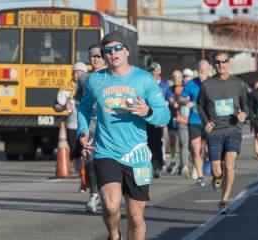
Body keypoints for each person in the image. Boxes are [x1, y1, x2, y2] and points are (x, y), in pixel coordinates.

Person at [77, 31, 171, 240]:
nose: (113, 53)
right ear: (104, 56)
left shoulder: (144, 79)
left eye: (118, 48)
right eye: (108, 51)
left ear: (127, 51)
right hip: (106, 151)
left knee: (136, 216)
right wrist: (82, 132)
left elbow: (164, 116)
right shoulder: (94, 81)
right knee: (110, 206)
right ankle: (114, 236)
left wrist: (148, 112)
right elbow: (82, 110)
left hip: (137, 155)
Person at [197, 51, 249, 214]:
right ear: (214, 65)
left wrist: (243, 115)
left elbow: (245, 105)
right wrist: (206, 122)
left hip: (233, 128)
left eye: (224, 61)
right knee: (216, 169)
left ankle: (224, 200)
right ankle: (217, 178)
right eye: (218, 62)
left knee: (229, 164)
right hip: (214, 131)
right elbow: (199, 106)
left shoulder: (238, 83)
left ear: (229, 63)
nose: (221, 64)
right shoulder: (207, 85)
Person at [75, 44, 108, 213]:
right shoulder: (84, 79)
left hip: (109, 125)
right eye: (92, 56)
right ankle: (94, 194)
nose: (95, 59)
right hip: (90, 125)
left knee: (107, 161)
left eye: (98, 56)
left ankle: (108, 193)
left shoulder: (111, 76)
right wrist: (81, 129)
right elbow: (80, 104)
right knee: (89, 159)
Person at [180, 60, 210, 186]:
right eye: (199, 71)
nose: (201, 73)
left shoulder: (213, 83)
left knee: (208, 149)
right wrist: (187, 102)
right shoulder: (191, 83)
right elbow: (181, 98)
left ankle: (208, 161)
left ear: (208, 71)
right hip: (194, 120)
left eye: (203, 71)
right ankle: (200, 176)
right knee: (195, 148)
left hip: (209, 121)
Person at [54, 62, 86, 179]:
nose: (78, 75)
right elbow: (57, 105)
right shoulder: (66, 87)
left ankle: (87, 176)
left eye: (81, 72)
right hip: (72, 125)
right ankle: (80, 174)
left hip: (88, 124)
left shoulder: (90, 85)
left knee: (86, 152)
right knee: (75, 153)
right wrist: (63, 107)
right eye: (76, 72)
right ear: (72, 74)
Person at [147, 62, 173, 178]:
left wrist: (169, 103)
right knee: (148, 142)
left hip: (159, 118)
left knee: (157, 142)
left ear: (159, 71)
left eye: (155, 70)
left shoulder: (164, 85)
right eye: (151, 70)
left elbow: (170, 99)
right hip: (147, 117)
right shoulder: (146, 83)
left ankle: (157, 166)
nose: (153, 72)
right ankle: (150, 166)